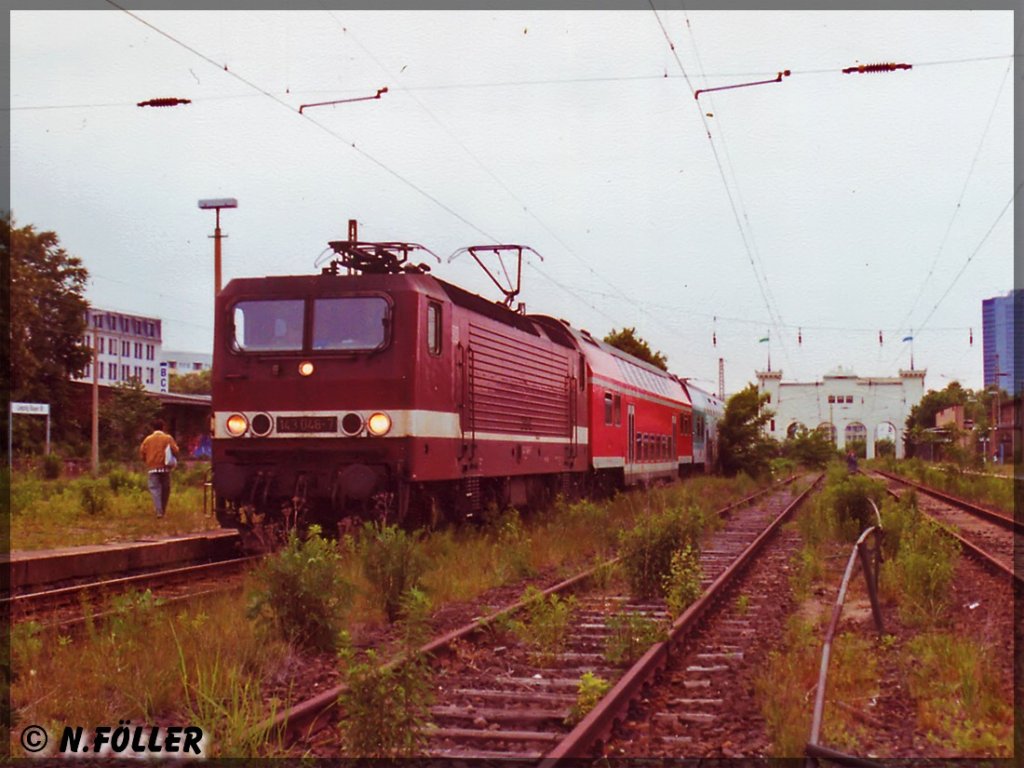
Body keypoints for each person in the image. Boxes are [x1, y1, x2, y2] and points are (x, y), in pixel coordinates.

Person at [140, 418, 180, 518]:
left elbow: (142, 452)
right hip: (165, 468)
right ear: (163, 427)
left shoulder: (147, 439)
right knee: (165, 490)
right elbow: (176, 450)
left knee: (155, 490)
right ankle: (163, 509)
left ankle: (159, 511)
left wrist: (147, 461)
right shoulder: (168, 438)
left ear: (153, 428)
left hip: (152, 468)